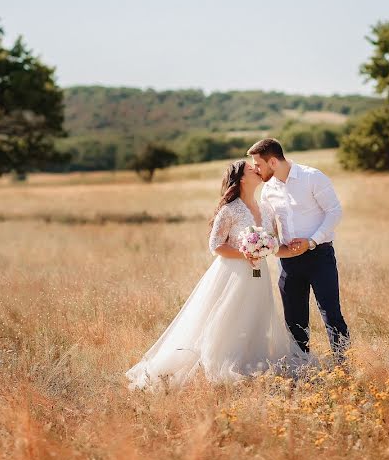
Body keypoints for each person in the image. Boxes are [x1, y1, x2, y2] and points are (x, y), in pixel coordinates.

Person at [126, 159, 313, 390]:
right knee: (227, 317)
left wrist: (299, 247)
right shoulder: (230, 209)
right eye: (250, 168)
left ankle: (251, 358)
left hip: (259, 274)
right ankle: (217, 362)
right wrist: (246, 254)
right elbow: (215, 245)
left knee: (256, 316)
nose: (257, 169)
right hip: (232, 274)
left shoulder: (266, 209)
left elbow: (273, 245)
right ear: (242, 178)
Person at [248, 138, 350, 361]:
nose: (255, 169)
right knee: (294, 319)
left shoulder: (312, 177)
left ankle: (344, 366)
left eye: (258, 164)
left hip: (319, 256)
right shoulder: (268, 190)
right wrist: (261, 243)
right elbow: (268, 226)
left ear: (272, 161)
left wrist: (311, 241)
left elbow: (334, 211)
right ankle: (301, 366)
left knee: (331, 314)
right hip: (288, 262)